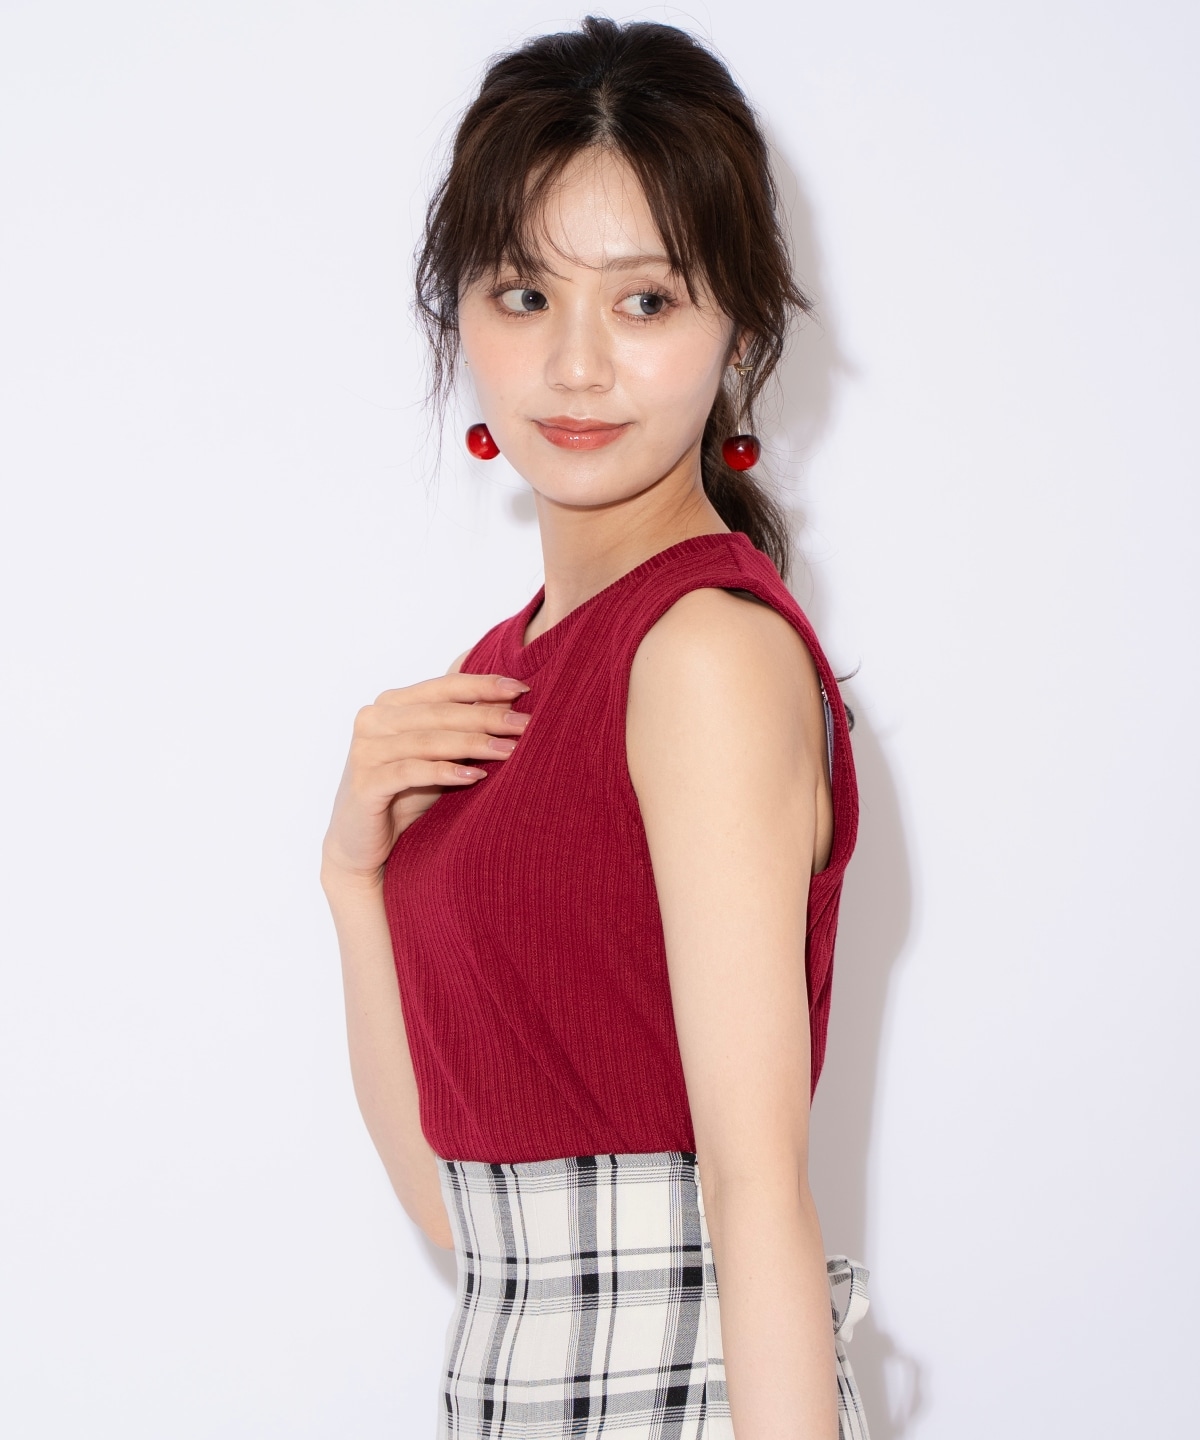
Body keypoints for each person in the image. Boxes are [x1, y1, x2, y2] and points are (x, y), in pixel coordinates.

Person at [321, 17, 870, 1439]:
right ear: (458, 313)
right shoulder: (500, 677)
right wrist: (353, 879)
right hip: (515, 1393)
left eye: (644, 300)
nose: (575, 368)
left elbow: (756, 1185)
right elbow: (459, 1207)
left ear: (739, 327)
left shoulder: (703, 654)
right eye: (524, 293)